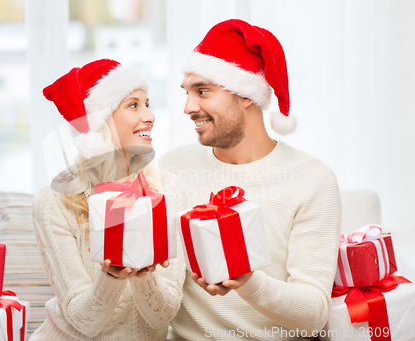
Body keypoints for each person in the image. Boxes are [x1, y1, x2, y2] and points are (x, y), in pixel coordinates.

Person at [159, 19, 342, 341]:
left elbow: (314, 315)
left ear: (246, 95)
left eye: (203, 91)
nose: (189, 107)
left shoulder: (311, 179)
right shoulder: (172, 167)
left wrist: (246, 280)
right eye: (187, 93)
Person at [30, 59, 185, 340]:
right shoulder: (53, 202)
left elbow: (164, 313)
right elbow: (84, 322)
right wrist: (111, 277)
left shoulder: (167, 190)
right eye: (133, 105)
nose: (150, 115)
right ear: (99, 123)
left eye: (147, 103)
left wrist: (144, 272)